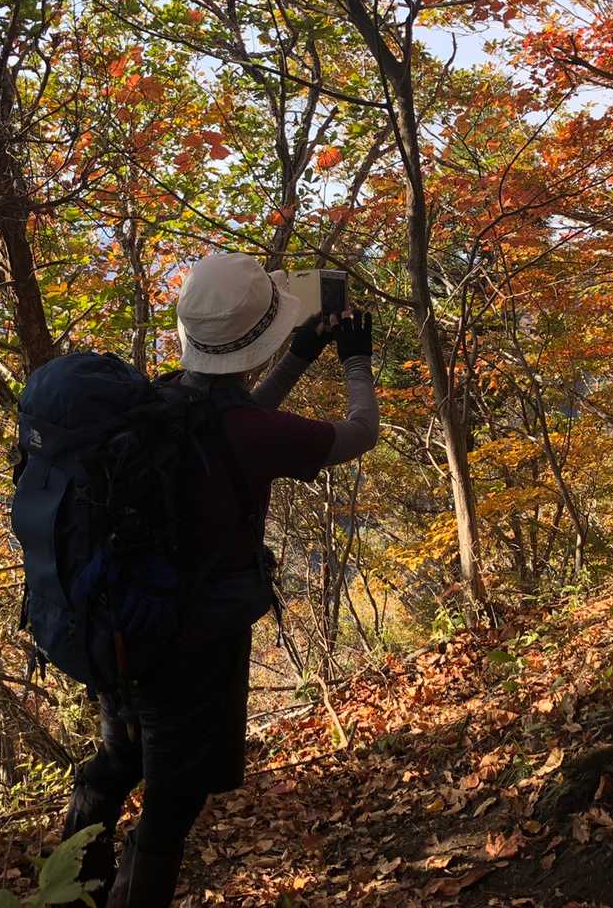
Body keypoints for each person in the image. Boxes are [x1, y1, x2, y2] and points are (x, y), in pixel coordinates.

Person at [62, 252, 380, 907]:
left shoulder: (159, 404)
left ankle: (65, 891)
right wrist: (355, 359)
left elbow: (238, 427)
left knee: (117, 763)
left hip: (120, 627)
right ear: (254, 338)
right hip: (193, 647)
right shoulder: (246, 431)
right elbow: (359, 433)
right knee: (172, 802)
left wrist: (298, 355)